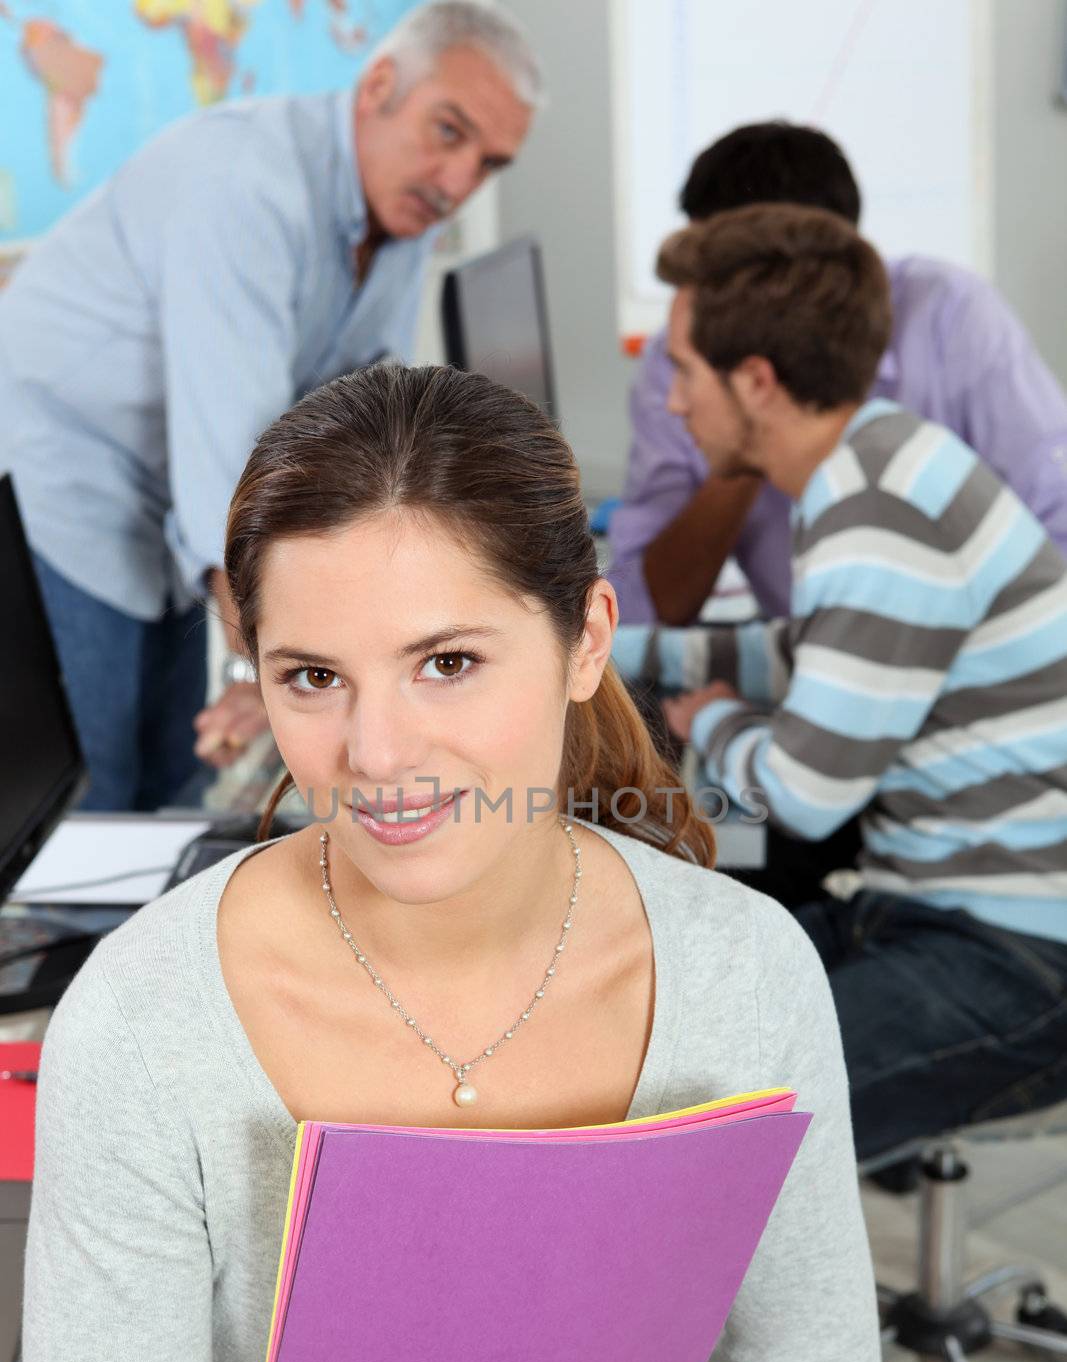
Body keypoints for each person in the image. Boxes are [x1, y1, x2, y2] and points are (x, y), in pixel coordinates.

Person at [23, 363, 882, 1362]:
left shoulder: (742, 968)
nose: (376, 756)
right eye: (312, 676)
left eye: (447, 662)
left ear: (585, 640)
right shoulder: (146, 1020)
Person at [0, 0, 539, 811]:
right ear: (379, 85)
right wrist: (284, 673)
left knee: (178, 780)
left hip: (166, 508)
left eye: (489, 163)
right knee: (90, 800)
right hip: (59, 485)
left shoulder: (404, 209)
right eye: (449, 131)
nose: (460, 182)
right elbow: (229, 479)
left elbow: (358, 429)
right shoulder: (246, 188)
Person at [611, 204, 1067, 1163]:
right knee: (648, 1011)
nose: (673, 403)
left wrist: (711, 719)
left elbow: (804, 796)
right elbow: (801, 652)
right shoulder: (877, 458)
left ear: (757, 382)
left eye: (683, 372)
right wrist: (605, 654)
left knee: (691, 1120)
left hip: (1021, 960)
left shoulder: (875, 515)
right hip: (929, 908)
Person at [605, 121, 1067, 628]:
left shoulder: (950, 318)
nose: (676, 399)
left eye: (716, 280)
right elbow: (644, 608)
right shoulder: (684, 355)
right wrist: (748, 437)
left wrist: (760, 409)